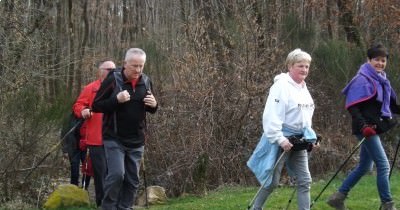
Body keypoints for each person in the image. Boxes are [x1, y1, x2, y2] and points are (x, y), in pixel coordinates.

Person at [327, 43, 399, 210]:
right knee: (384, 165)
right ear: (368, 60)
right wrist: (364, 126)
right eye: (376, 60)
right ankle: (387, 204)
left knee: (365, 166)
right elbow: (352, 106)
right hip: (365, 129)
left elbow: (392, 105)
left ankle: (338, 197)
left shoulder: (383, 80)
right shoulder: (362, 79)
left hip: (374, 127)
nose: (380, 63)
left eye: (383, 60)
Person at [247, 48, 318, 210]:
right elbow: (272, 115)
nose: (304, 70)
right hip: (280, 140)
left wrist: (311, 137)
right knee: (271, 181)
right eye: (300, 66)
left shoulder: (303, 88)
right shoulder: (281, 86)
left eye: (307, 66)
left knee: (305, 180)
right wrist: (280, 139)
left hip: (299, 141)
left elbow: (305, 117)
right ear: (290, 66)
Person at [92, 48, 158, 210]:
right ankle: (108, 207)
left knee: (132, 180)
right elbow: (96, 105)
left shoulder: (146, 81)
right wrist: (116, 100)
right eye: (134, 66)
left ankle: (125, 207)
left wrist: (155, 105)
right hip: (114, 138)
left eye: (141, 66)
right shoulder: (113, 79)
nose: (138, 70)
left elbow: (150, 108)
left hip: (137, 139)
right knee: (116, 175)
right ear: (125, 64)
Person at [73, 60, 116, 207]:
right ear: (100, 71)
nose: (112, 71)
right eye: (108, 69)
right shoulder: (90, 88)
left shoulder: (120, 87)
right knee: (100, 174)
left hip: (117, 138)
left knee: (116, 173)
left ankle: (116, 203)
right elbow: (78, 105)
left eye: (114, 69)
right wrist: (83, 111)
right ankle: (102, 204)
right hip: (97, 139)